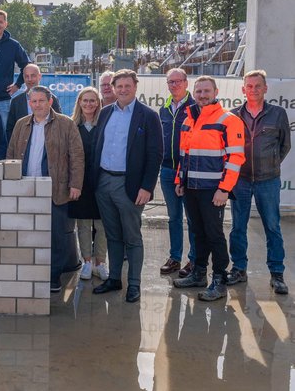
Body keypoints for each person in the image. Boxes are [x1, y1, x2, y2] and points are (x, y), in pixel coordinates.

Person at [91, 69, 162, 303]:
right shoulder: (104, 113)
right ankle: (114, 279)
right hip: (104, 182)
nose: (122, 90)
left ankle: (134, 284)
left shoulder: (148, 116)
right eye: (118, 86)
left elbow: (155, 155)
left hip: (130, 185)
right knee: (112, 235)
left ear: (135, 86)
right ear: (112, 88)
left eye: (127, 86)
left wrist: (147, 187)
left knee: (132, 237)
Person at [173, 76, 245, 301]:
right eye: (199, 92)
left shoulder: (229, 120)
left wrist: (224, 189)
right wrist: (179, 181)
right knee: (197, 232)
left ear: (216, 92)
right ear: (194, 94)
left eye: (206, 91)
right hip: (191, 188)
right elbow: (183, 154)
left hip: (213, 190)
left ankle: (219, 280)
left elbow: (236, 158)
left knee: (214, 234)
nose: (202, 95)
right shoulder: (188, 118)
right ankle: (199, 274)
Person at [7, 86, 84, 292]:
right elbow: (11, 154)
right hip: (26, 188)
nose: (37, 105)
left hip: (55, 189)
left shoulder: (65, 124)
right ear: (29, 103)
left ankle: (53, 277)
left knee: (56, 235)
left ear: (50, 102)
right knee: (26, 233)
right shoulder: (21, 124)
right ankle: (27, 272)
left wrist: (75, 184)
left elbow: (76, 156)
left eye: (41, 101)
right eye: (34, 101)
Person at [227, 70, 291, 294]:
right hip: (241, 181)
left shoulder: (278, 114)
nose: (253, 90)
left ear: (265, 88)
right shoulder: (233, 116)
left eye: (257, 86)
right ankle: (238, 269)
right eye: (249, 86)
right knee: (237, 227)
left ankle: (277, 274)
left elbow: (285, 146)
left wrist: (271, 164)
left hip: (268, 181)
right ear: (243, 90)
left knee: (272, 227)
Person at [158, 68, 196, 278]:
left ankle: (193, 259)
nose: (174, 85)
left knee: (192, 218)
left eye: (177, 81)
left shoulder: (195, 107)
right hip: (167, 170)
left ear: (186, 83)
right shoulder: (164, 109)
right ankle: (175, 257)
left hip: (190, 172)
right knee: (173, 217)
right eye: (170, 82)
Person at [68, 87, 108, 281]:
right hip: (80, 183)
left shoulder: (105, 124)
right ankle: (87, 262)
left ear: (98, 103)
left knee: (102, 225)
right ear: (79, 102)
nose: (89, 104)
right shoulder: (72, 126)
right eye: (85, 100)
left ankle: (100, 263)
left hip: (101, 182)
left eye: (93, 100)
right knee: (83, 225)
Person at [6, 63, 61, 141]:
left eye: (33, 75)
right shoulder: (16, 102)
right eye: (26, 76)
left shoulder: (52, 99)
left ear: (39, 77)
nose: (30, 79)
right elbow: (10, 129)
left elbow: (59, 125)